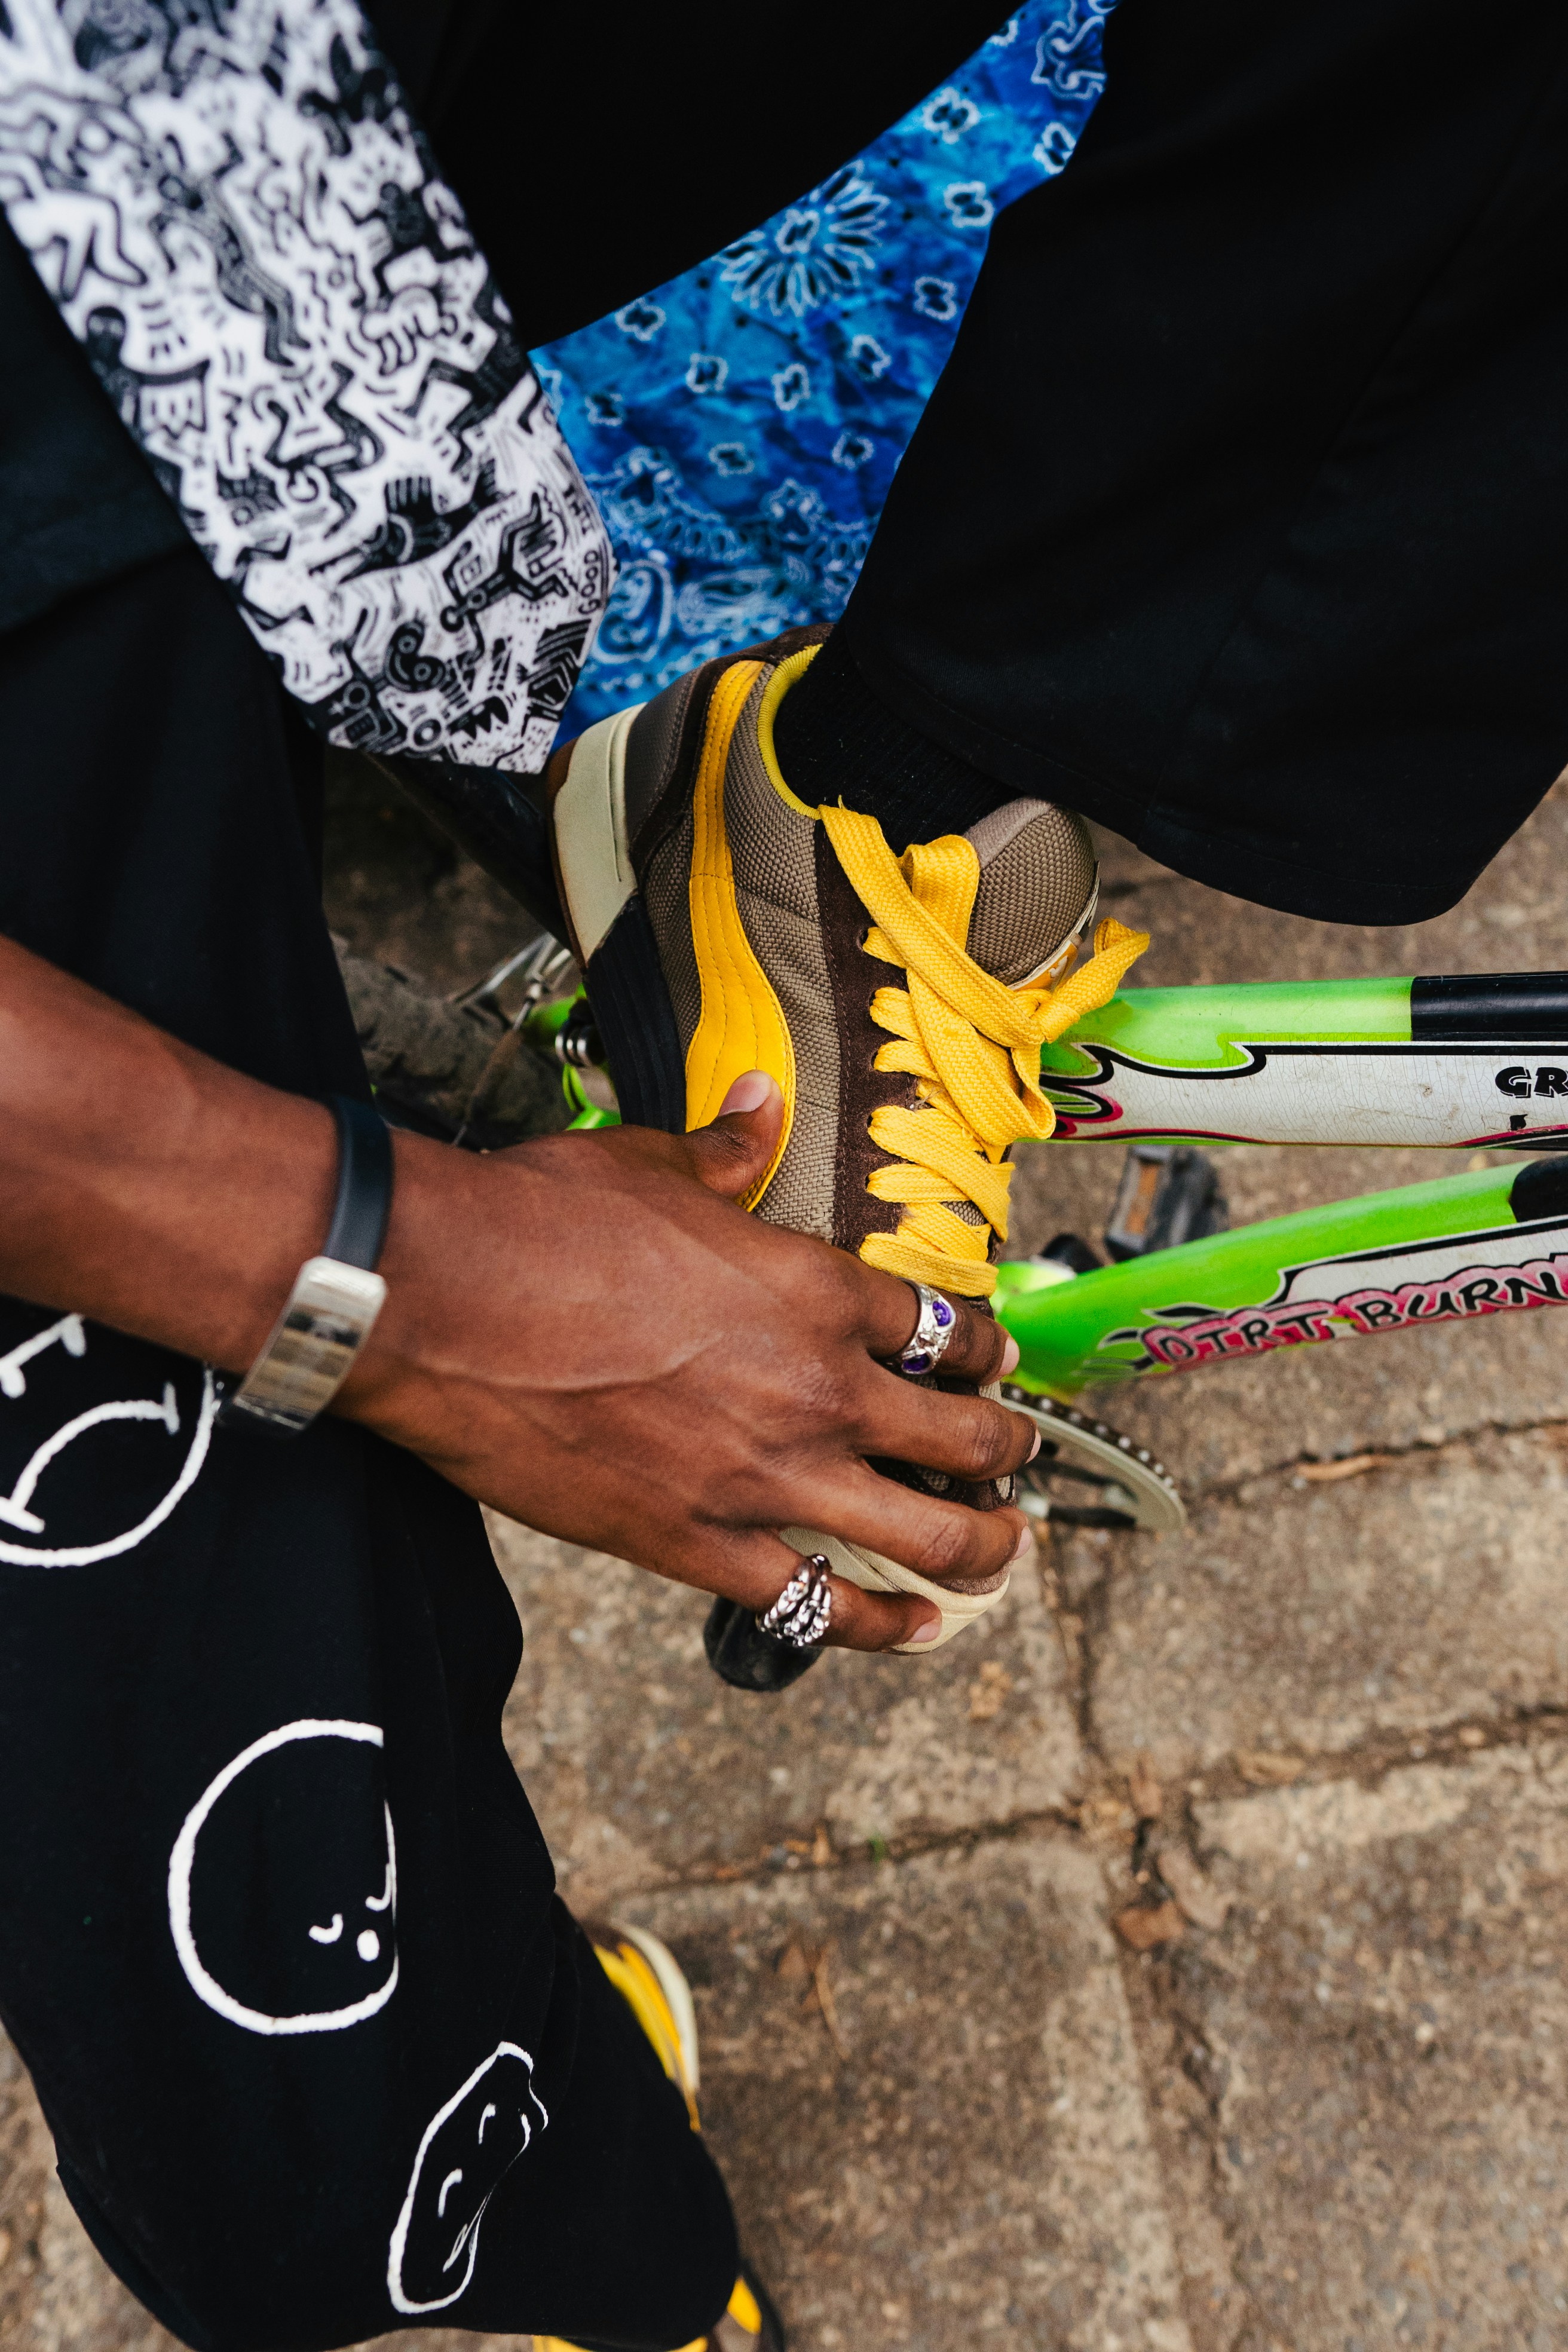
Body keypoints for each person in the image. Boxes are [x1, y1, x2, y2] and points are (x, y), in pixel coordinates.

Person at [1, 1, 1564, 2348]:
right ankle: (470, 2256)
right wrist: (380, 1276)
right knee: (123, 1494)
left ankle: (858, 823)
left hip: (197, 122)